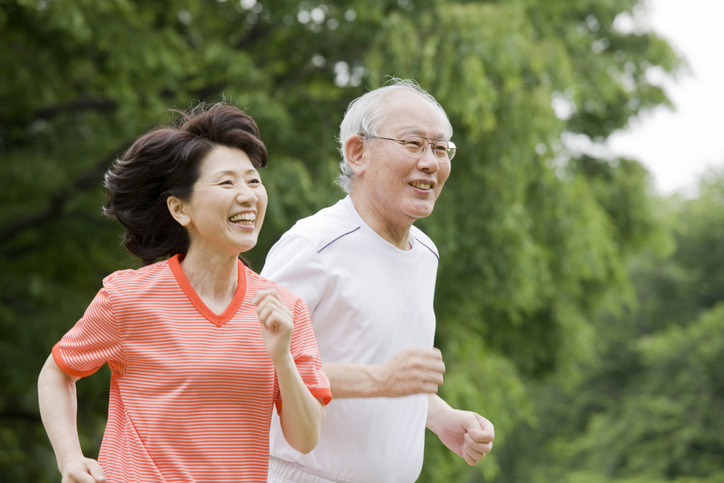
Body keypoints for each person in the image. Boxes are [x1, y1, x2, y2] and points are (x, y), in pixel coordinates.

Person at [37, 103, 332, 483]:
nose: (247, 195)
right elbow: (57, 373)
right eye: (227, 183)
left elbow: (306, 438)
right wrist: (70, 459)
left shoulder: (284, 310)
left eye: (253, 181)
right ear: (180, 209)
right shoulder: (128, 297)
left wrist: (282, 359)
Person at [262, 79, 495, 483]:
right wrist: (381, 379)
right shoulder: (313, 246)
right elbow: (251, 363)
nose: (430, 162)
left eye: (441, 149)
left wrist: (441, 417)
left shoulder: (425, 253)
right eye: (413, 144)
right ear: (358, 153)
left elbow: (393, 373)